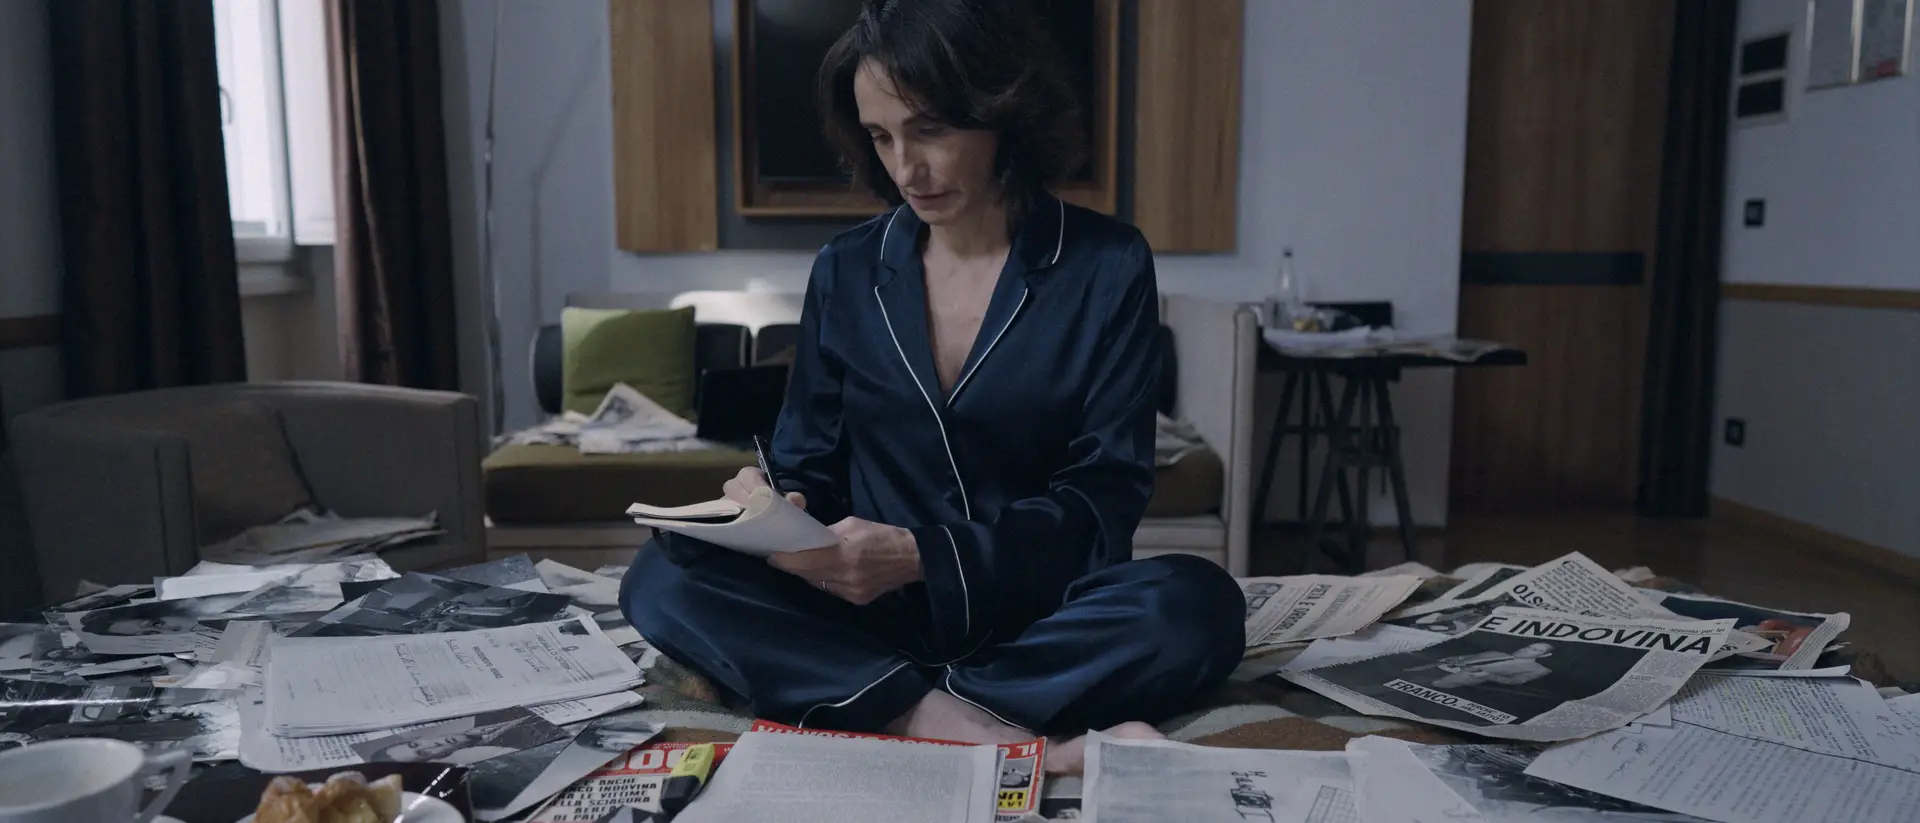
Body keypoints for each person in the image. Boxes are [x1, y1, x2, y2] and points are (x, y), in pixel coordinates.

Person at [620, 0, 1243, 776]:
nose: (905, 168)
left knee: (1196, 604)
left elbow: (1102, 505)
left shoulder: (1106, 264)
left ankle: (879, 700)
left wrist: (925, 556)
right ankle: (968, 726)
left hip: (1034, 614)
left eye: (930, 130)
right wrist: (772, 505)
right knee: (662, 573)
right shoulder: (846, 268)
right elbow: (809, 461)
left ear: (1002, 110)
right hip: (867, 612)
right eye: (881, 137)